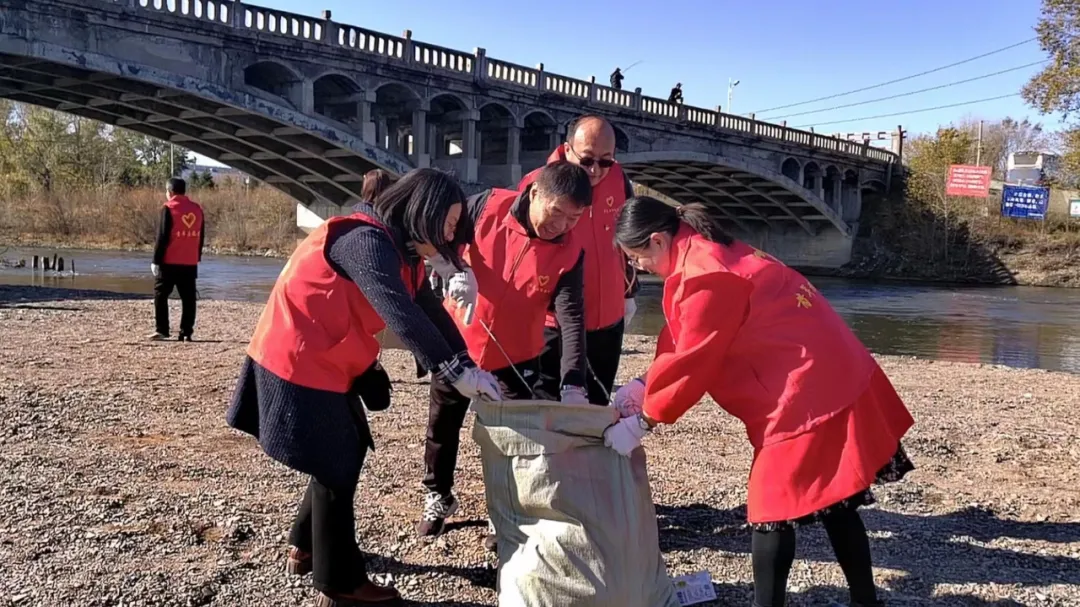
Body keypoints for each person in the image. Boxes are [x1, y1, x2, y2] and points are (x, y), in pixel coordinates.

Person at [603, 197, 915, 607]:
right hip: (826, 368)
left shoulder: (704, 274)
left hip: (806, 388)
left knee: (771, 507)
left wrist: (644, 420)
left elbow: (697, 359)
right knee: (836, 499)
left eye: (636, 257)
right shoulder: (705, 248)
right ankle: (865, 601)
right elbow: (685, 335)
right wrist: (645, 383)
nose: (638, 267)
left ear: (658, 241)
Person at [226, 168, 504, 607]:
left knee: (343, 451)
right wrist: (454, 372)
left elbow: (430, 310)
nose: (451, 237)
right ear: (423, 212)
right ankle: (340, 585)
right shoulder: (365, 240)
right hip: (297, 356)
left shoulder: (402, 250)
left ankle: (305, 545)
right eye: (448, 226)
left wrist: (467, 363)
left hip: (330, 359)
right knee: (336, 463)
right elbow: (401, 315)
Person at [417, 160, 593, 541]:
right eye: (556, 212)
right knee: (443, 426)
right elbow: (436, 234)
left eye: (574, 218)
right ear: (534, 194)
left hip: (517, 355)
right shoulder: (486, 206)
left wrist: (573, 380)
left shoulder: (571, 250)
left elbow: (572, 316)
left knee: (515, 439)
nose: (561, 225)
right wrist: (452, 269)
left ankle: (508, 508)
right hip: (458, 341)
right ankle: (439, 494)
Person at [518, 115, 638, 406]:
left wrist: (630, 293)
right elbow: (519, 252)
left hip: (608, 320)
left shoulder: (620, 180)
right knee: (547, 406)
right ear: (567, 149)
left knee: (595, 406)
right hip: (555, 324)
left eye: (606, 160)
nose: (596, 170)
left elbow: (629, 239)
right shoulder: (539, 185)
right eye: (587, 160)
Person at [149, 177, 204, 342]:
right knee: (188, 298)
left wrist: (155, 260)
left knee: (160, 295)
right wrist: (197, 256)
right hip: (189, 261)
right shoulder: (197, 209)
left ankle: (162, 330)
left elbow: (162, 237)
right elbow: (201, 236)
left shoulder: (168, 208)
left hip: (169, 261)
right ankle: (186, 332)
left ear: (170, 191)